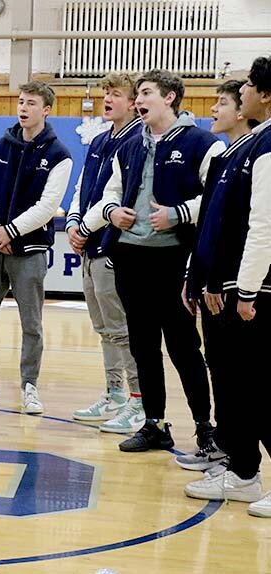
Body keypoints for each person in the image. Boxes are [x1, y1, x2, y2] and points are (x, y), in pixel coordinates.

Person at [79, 69, 225, 452]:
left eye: (146, 93)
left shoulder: (202, 143)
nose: (139, 100)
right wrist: (111, 212)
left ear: (170, 98)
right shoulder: (128, 147)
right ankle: (154, 423)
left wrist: (178, 213)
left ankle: (204, 426)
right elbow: (108, 192)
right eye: (138, 94)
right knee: (142, 346)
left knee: (183, 346)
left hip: (174, 260)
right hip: (130, 257)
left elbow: (216, 201)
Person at [184, 57, 271, 518]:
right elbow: (215, 225)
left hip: (252, 294)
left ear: (263, 95)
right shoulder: (240, 149)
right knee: (233, 385)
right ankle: (242, 471)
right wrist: (202, 278)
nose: (243, 94)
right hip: (224, 288)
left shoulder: (268, 147)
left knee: (258, 386)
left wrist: (247, 290)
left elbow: (262, 227)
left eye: (250, 87)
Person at [0, 81, 72, 414]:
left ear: (46, 110)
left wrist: (11, 231)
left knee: (31, 324)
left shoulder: (59, 155)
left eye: (31, 103)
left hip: (30, 251)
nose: (23, 108)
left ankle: (29, 387)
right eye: (21, 102)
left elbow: (48, 205)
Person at [179, 79, 257, 472]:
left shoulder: (254, 154)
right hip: (211, 283)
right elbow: (207, 227)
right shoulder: (226, 159)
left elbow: (243, 230)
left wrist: (223, 284)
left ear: (243, 109)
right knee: (223, 374)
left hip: (232, 288)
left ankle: (241, 462)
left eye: (223, 103)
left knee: (242, 380)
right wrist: (195, 277)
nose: (213, 109)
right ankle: (226, 450)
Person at [66, 73, 144, 433]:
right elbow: (84, 188)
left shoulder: (138, 141)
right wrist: (73, 223)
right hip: (89, 246)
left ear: (133, 103)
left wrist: (87, 227)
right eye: (106, 94)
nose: (108, 100)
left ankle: (138, 401)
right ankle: (114, 393)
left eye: (116, 95)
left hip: (113, 245)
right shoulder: (99, 140)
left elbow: (120, 197)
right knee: (103, 328)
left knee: (122, 328)